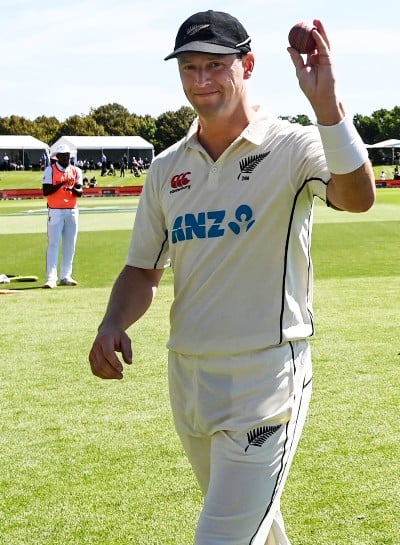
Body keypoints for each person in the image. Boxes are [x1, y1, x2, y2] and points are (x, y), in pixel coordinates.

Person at [87, 11, 375, 544]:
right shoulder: (167, 167)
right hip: (190, 375)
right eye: (190, 68)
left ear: (247, 66)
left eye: (215, 66)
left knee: (223, 537)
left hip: (266, 376)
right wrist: (112, 322)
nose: (201, 81)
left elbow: (357, 198)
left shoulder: (292, 147)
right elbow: (142, 268)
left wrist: (326, 105)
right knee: (258, 534)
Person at [41, 142, 84, 288]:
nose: (66, 158)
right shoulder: (50, 170)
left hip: (72, 210)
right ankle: (51, 278)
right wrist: (61, 184)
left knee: (70, 244)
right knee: (53, 244)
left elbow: (80, 192)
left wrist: (72, 189)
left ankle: (66, 275)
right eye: (64, 155)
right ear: (57, 157)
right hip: (55, 210)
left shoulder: (76, 170)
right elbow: (46, 191)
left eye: (68, 155)